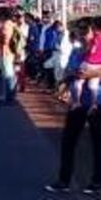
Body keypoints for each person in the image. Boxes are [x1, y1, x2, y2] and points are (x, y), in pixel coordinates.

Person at [45, 35, 101, 195]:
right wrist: (68, 80)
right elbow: (72, 70)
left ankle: (97, 182)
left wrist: (92, 73)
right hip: (77, 104)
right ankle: (64, 180)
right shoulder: (77, 52)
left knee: (98, 143)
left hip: (97, 103)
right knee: (68, 140)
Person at [0, 7, 18, 105]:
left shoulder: (6, 25)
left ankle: (8, 97)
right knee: (9, 75)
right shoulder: (10, 24)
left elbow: (5, 40)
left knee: (8, 75)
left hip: (6, 52)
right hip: (8, 52)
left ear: (2, 15)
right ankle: (8, 96)